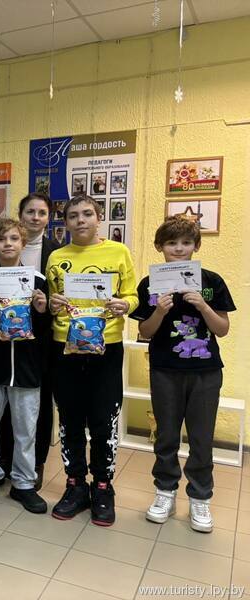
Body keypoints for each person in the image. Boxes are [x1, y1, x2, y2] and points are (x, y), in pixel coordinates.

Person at [131, 216, 235, 533]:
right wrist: (160, 311)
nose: (179, 249)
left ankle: (200, 496)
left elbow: (223, 329)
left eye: (186, 243)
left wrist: (203, 306)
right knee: (166, 435)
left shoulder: (211, 281)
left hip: (205, 371)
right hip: (165, 369)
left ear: (196, 246)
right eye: (171, 243)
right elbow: (145, 332)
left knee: (201, 437)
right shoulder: (150, 284)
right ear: (159, 247)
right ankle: (165, 491)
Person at [46, 195, 138, 527]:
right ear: (66, 222)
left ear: (99, 218)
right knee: (69, 420)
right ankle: (75, 485)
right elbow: (53, 301)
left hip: (106, 348)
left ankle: (102, 486)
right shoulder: (57, 257)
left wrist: (125, 305)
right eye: (73, 215)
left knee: (103, 420)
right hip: (65, 348)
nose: (80, 220)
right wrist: (53, 304)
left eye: (87, 214)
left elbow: (132, 295)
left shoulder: (119, 252)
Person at [0, 218, 49, 514]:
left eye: (14, 238)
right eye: (1, 239)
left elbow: (45, 329)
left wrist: (41, 311)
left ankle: (24, 482)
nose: (8, 244)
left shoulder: (37, 280)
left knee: (26, 428)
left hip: (27, 366)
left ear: (23, 243)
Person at [0, 193, 60, 490]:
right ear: (20, 215)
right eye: (30, 212)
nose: (35, 217)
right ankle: (5, 458)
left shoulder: (56, 253)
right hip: (5, 338)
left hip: (42, 339)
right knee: (7, 403)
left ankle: (36, 462)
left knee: (40, 402)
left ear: (49, 218)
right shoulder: (1, 250)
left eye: (42, 212)